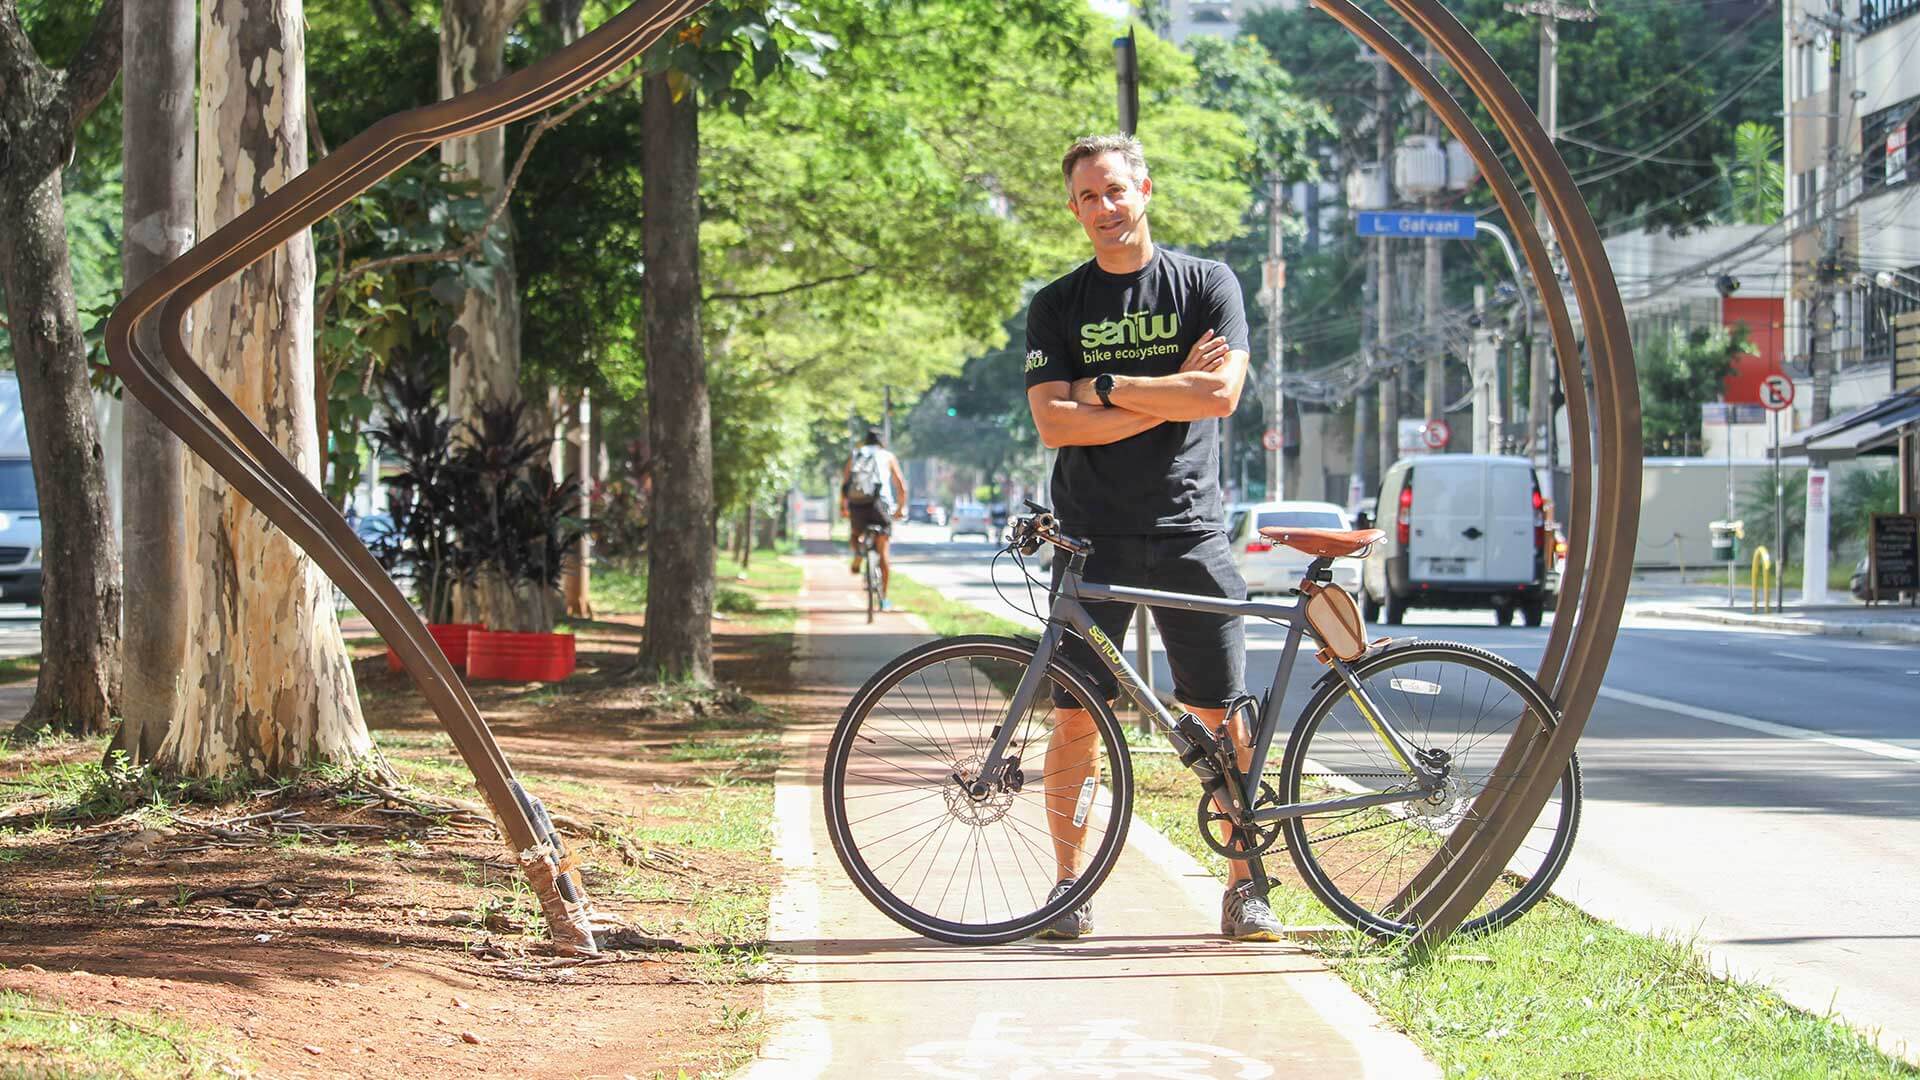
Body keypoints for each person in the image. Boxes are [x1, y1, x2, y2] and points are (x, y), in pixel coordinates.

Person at [1022, 133, 1280, 942]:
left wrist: (1103, 387)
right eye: (1087, 197)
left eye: (1114, 191)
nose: (1103, 208)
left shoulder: (1207, 284)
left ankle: (1246, 889)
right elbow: (1051, 421)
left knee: (1219, 717)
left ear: (1145, 190)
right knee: (1075, 717)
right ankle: (1068, 888)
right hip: (1087, 535)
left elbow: (1222, 393)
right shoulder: (1057, 304)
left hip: (1187, 529)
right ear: (1073, 210)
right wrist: (1167, 392)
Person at [840, 428, 908, 610]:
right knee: (883, 550)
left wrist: (843, 506)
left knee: (855, 534)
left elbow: (845, 483)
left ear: (865, 440)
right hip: (881, 505)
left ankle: (858, 554)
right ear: (881, 442)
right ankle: (884, 599)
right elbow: (900, 485)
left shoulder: (855, 454)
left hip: (858, 503)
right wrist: (900, 508)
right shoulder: (887, 456)